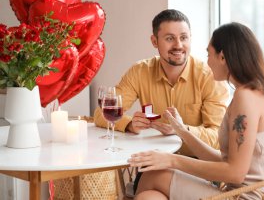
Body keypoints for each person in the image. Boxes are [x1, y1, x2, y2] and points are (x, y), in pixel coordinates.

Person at [128, 22, 264, 200]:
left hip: (249, 197)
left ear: (223, 57)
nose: (207, 61)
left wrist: (171, 160)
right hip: (246, 192)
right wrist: (181, 131)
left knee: (153, 175)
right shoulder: (254, 91)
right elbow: (226, 160)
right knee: (149, 197)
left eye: (208, 54)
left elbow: (235, 173)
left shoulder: (245, 98)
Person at [93, 9, 229, 157]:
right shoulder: (140, 72)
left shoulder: (209, 77)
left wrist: (183, 130)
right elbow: (101, 113)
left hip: (199, 165)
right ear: (154, 41)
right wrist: (130, 124)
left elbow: (219, 136)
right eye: (170, 38)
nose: (178, 45)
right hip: (155, 163)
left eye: (184, 38)